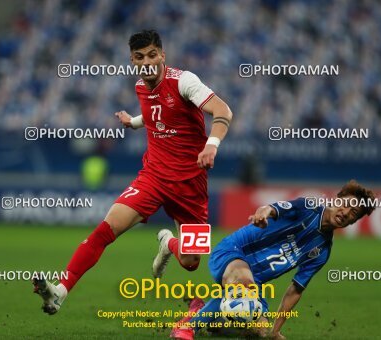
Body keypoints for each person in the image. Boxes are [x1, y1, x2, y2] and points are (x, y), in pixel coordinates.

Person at [32, 29, 233, 315]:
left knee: (191, 263)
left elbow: (223, 110)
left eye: (153, 55)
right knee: (106, 229)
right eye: (140, 57)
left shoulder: (184, 81)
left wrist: (212, 145)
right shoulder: (141, 86)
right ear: (132, 61)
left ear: (163, 55)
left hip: (191, 185)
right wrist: (134, 121)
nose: (147, 62)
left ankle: (167, 241)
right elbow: (157, 113)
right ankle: (59, 291)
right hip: (153, 177)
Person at [169, 180, 376, 340]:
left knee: (257, 331)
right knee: (244, 288)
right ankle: (187, 327)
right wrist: (264, 211)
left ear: (353, 222)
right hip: (233, 251)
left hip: (254, 282)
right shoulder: (309, 207)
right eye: (346, 205)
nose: (346, 213)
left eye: (354, 213)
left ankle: (207, 315)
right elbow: (275, 208)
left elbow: (295, 290)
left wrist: (275, 332)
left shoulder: (322, 252)